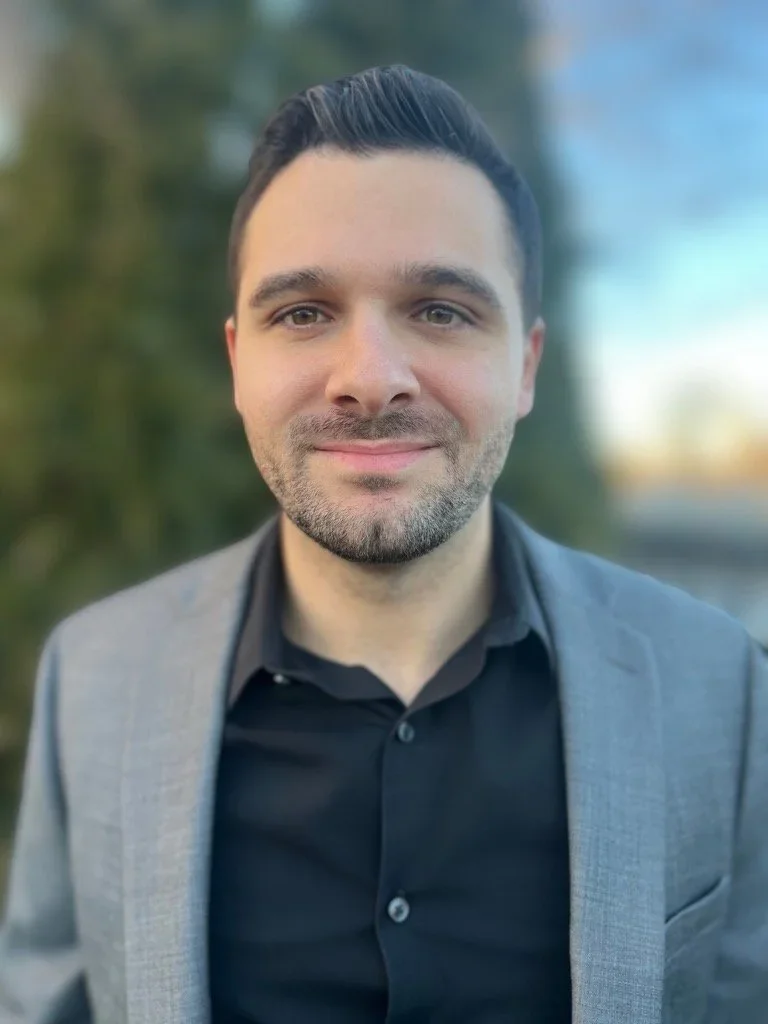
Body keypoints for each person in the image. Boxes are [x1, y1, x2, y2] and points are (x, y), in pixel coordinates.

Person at [0, 64, 766, 1024]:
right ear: (239, 362)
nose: (370, 378)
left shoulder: (717, 684)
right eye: (304, 313)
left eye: (440, 310)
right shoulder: (95, 677)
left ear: (525, 365)